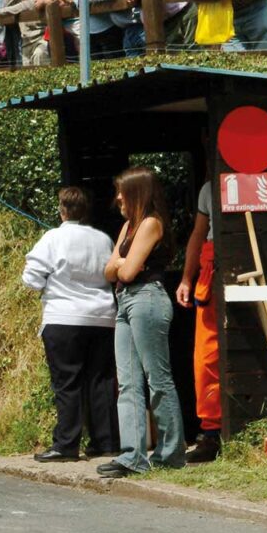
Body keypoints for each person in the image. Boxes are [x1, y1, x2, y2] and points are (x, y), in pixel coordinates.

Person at [98, 167, 186, 478]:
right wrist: (122, 264)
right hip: (125, 301)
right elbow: (109, 271)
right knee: (128, 382)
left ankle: (170, 452)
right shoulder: (127, 227)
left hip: (147, 298)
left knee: (157, 378)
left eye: (122, 191)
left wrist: (121, 264)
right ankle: (132, 455)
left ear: (138, 193)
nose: (118, 197)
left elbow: (124, 272)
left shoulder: (150, 223)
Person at [22, 187, 118, 462]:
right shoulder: (102, 239)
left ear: (62, 210)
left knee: (67, 382)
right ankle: (105, 441)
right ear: (86, 210)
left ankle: (66, 444)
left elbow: (32, 279)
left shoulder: (52, 237)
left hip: (63, 317)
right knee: (100, 379)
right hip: (102, 317)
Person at [174, 176, 221, 463]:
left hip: (257, 262)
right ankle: (211, 433)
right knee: (206, 359)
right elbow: (198, 233)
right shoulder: (209, 188)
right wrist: (186, 279)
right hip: (211, 272)